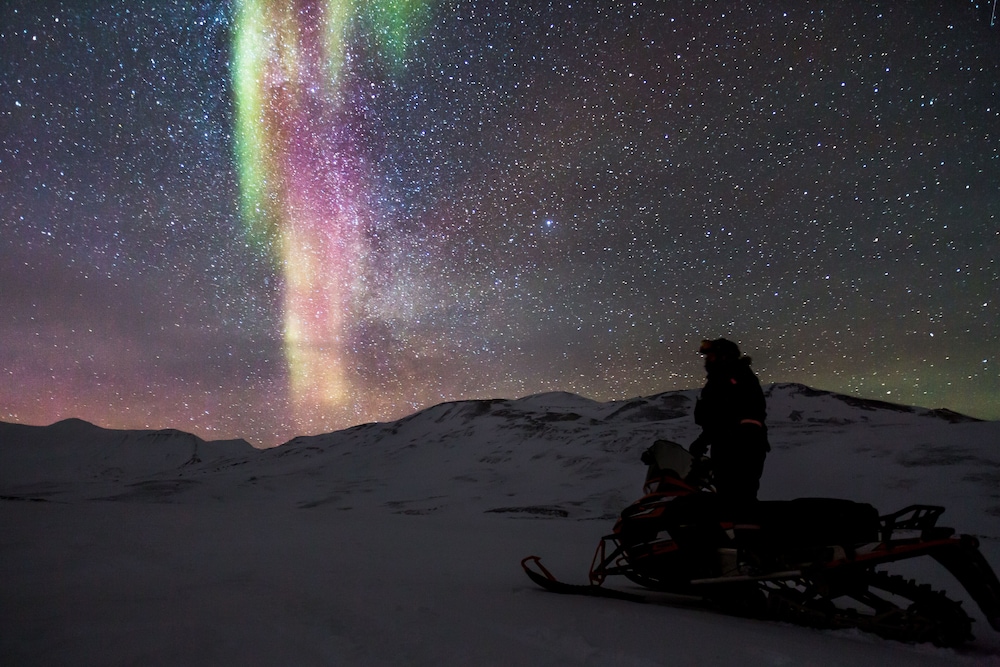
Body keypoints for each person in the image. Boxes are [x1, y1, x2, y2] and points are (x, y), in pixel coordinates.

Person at [689, 338, 769, 505]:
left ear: (724, 356)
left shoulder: (737, 376)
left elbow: (741, 412)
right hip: (726, 445)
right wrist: (704, 440)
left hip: (741, 447)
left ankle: (745, 530)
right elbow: (718, 418)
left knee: (740, 498)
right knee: (727, 497)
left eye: (710, 356)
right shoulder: (719, 380)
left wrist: (741, 438)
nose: (706, 360)